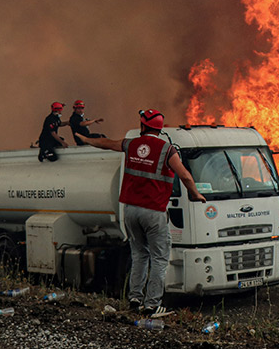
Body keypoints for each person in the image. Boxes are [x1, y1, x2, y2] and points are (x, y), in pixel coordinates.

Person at [81, 109, 206, 317]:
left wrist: (86, 139)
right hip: (153, 212)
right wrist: (196, 194)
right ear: (160, 129)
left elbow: (107, 143)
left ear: (142, 126)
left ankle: (135, 299)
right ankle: (151, 305)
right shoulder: (167, 150)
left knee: (139, 254)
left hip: (130, 210)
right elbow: (184, 175)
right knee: (159, 258)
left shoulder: (131, 144)